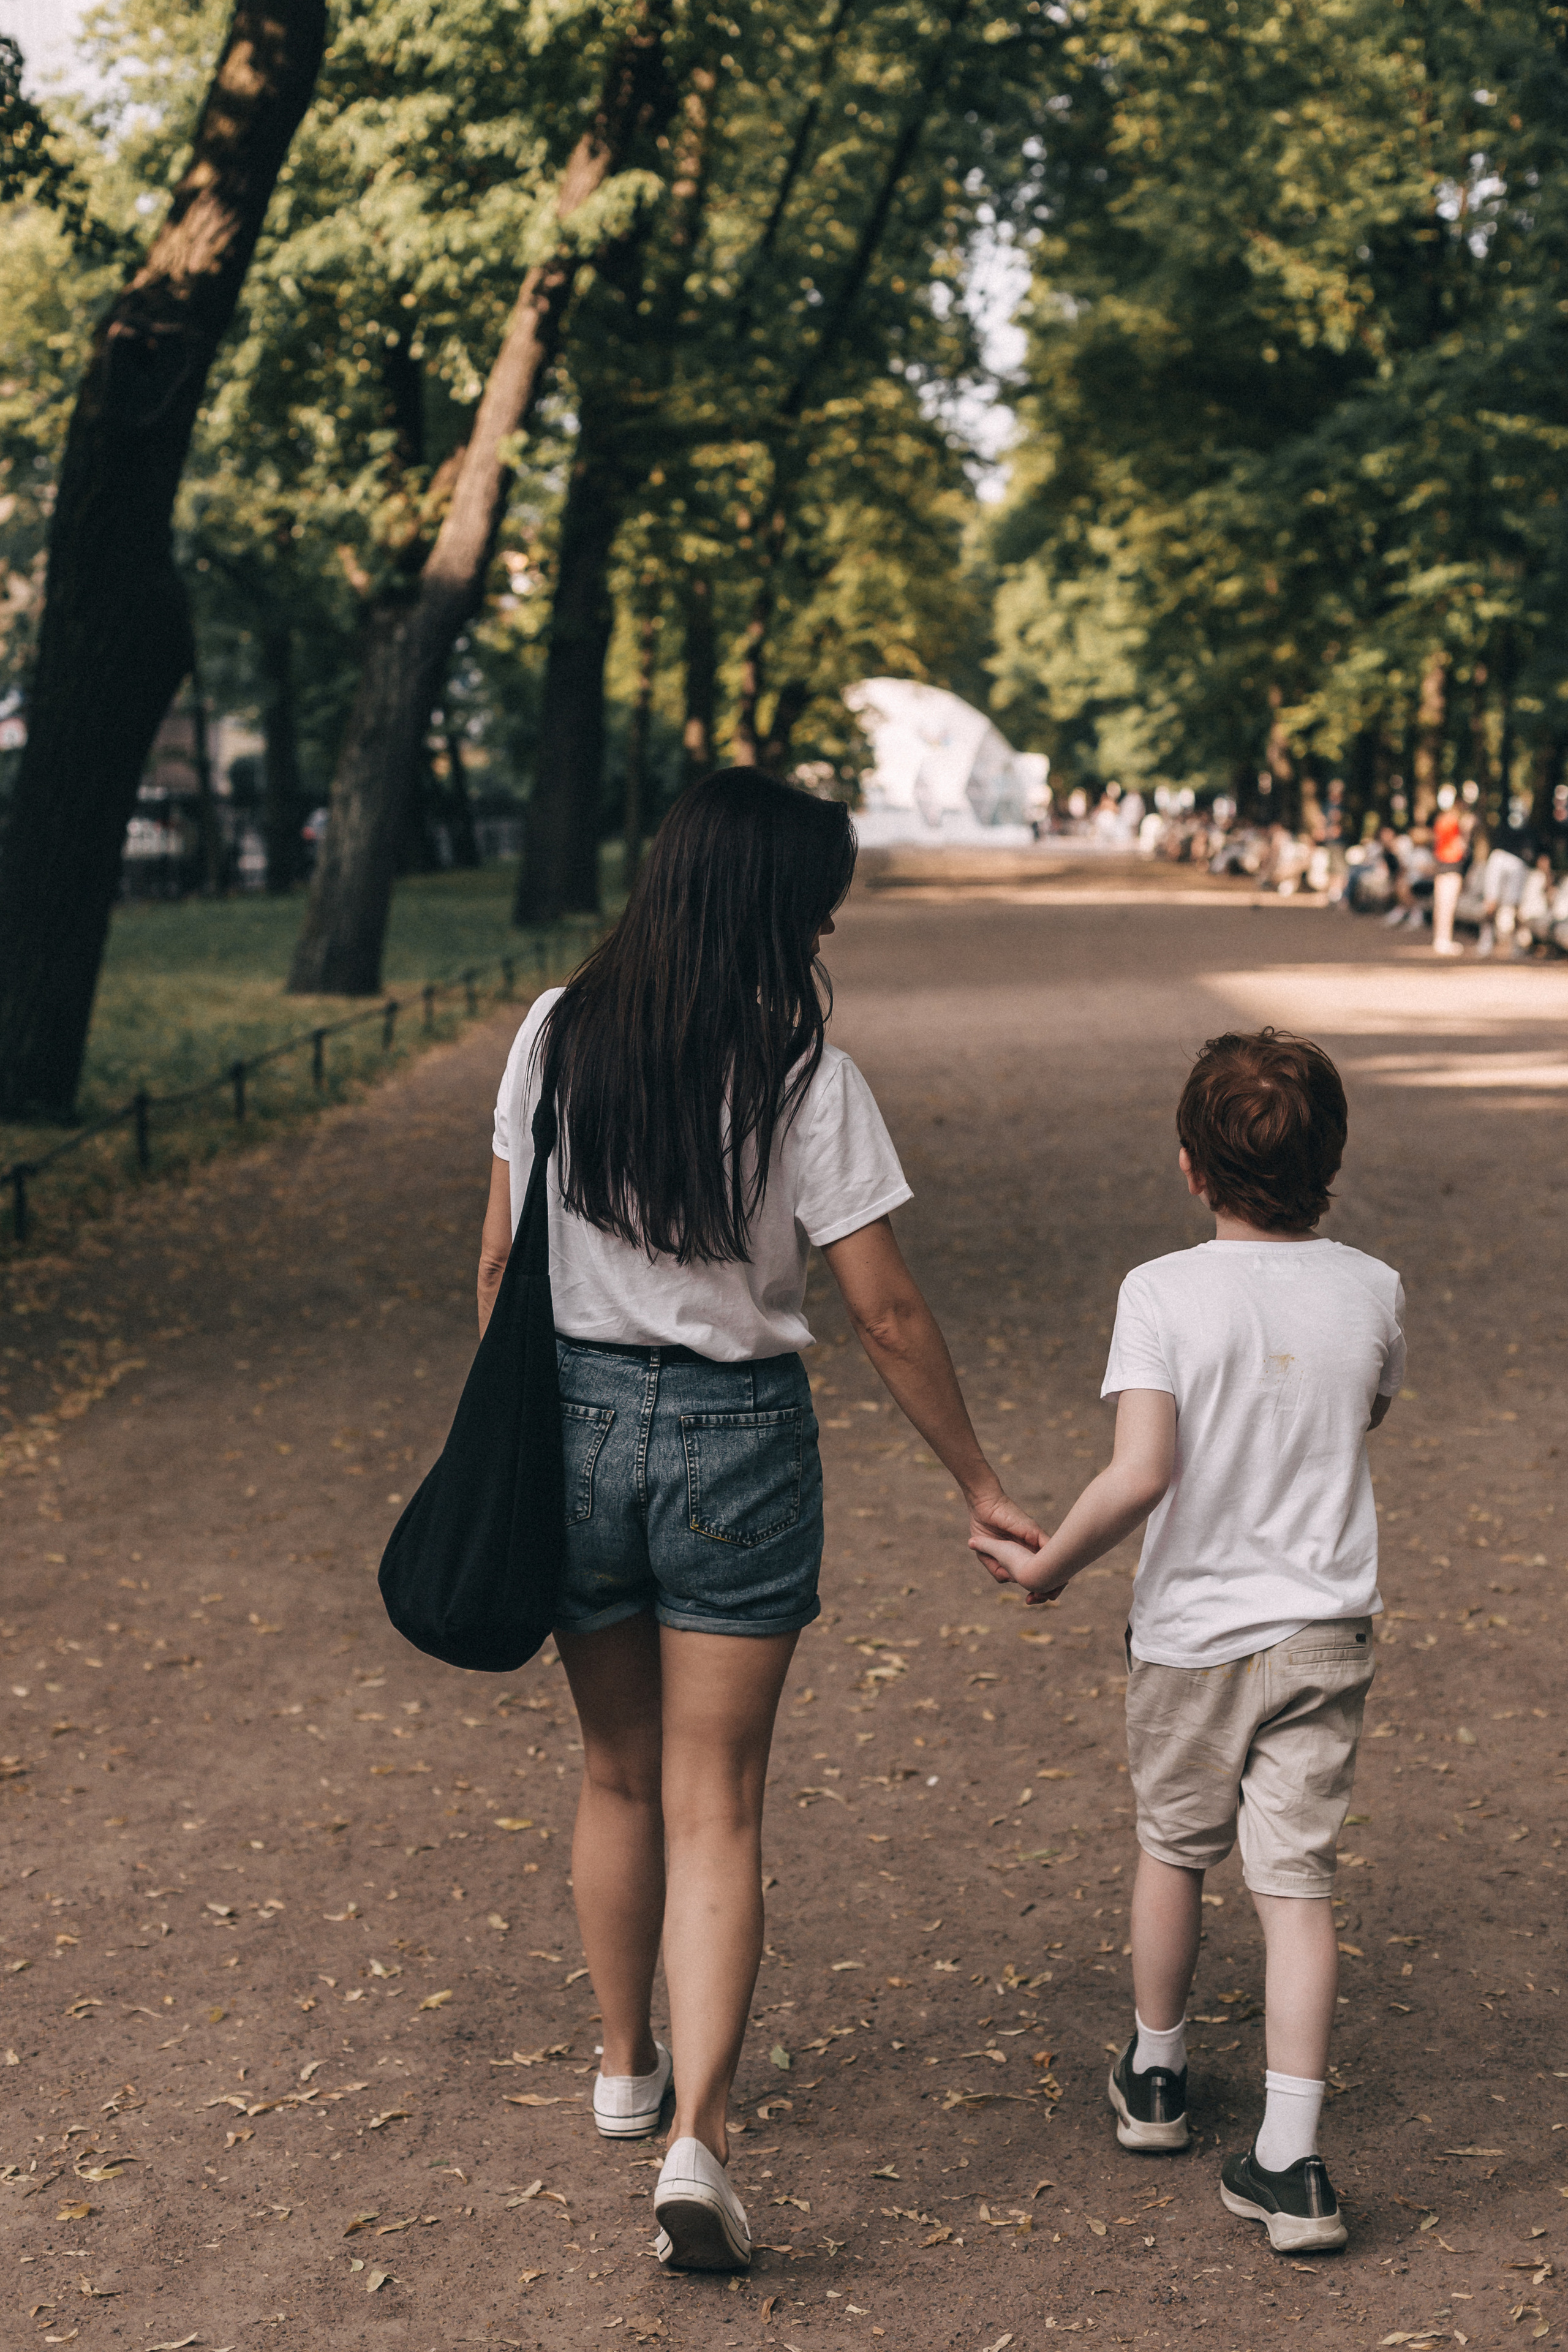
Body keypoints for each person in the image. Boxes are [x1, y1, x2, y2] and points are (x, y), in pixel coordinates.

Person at [480, 771, 1039, 2274]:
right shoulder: (803, 1077)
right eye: (821, 897)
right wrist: (979, 1483)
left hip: (579, 1426)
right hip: (736, 1439)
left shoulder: (553, 1034)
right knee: (714, 1796)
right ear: (775, 907)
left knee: (610, 1771)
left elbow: (495, 1271)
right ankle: (697, 2142)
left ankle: (621, 2065)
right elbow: (886, 1308)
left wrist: (527, 1443)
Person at [974, 1030, 1404, 2256]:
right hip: (1322, 1631)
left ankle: (1155, 2079)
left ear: (1187, 1167)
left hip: (1190, 1638)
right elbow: (1361, 1404)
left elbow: (1142, 1473)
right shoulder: (1370, 1289)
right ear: (1329, 1160)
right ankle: (1290, 2161)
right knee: (1297, 1888)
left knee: (1172, 1849)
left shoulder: (1159, 1293)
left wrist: (1048, 1564)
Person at [1476, 801, 1538, 958]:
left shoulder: (1529, 829)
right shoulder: (1502, 819)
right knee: (1492, 902)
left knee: (1515, 905)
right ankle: (1486, 939)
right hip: (1501, 858)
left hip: (1517, 863)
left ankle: (1515, 944)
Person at [1430, 787, 1472, 956]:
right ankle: (1444, 940)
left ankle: (1440, 939)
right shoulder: (1456, 821)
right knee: (1448, 905)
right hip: (1452, 865)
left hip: (1442, 864)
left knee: (1441, 905)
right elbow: (1461, 845)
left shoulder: (1440, 820)